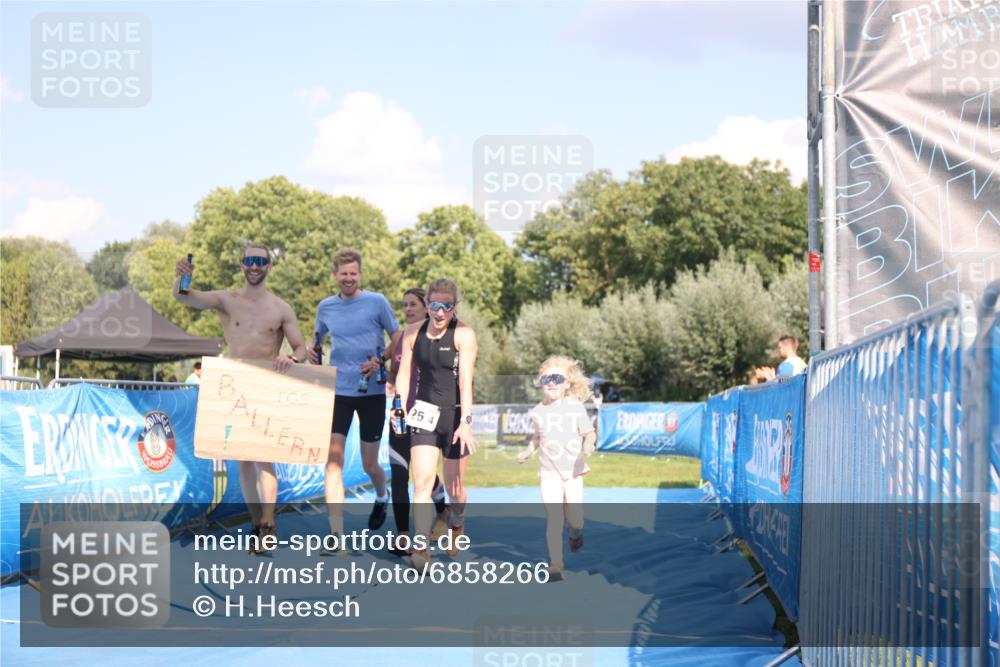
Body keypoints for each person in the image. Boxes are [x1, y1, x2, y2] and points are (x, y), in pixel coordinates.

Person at [174, 244, 308, 551]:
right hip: (234, 385)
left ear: (269, 267)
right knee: (244, 463)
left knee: (264, 459)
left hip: (266, 384)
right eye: (250, 260)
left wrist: (294, 359)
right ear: (242, 264)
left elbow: (300, 347)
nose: (255, 265)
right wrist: (181, 278)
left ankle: (269, 523)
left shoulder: (280, 308)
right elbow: (184, 296)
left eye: (261, 261)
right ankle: (256, 521)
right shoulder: (227, 299)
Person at [309, 248, 401, 551]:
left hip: (372, 391)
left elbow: (398, 338)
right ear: (335, 276)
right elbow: (317, 341)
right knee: (332, 462)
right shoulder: (326, 307)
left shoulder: (377, 302)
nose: (348, 278)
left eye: (353, 273)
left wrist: (381, 359)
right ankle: (336, 536)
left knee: (369, 463)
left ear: (360, 275)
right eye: (343, 274)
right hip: (339, 391)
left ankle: (381, 495)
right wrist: (313, 354)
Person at [396, 278, 478, 569]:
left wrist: (466, 422)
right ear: (427, 305)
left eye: (447, 306)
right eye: (435, 305)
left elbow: (465, 381)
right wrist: (398, 407)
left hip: (455, 417)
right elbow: (404, 375)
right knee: (421, 484)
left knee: (455, 491)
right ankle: (421, 548)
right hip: (424, 415)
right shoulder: (410, 333)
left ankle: (457, 520)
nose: (441, 312)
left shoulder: (463, 334)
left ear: (455, 307)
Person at [517, 356, 596, 582]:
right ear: (540, 381)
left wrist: (589, 444)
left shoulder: (575, 407)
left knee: (575, 520)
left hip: (573, 472)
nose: (551, 383)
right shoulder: (538, 411)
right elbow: (536, 438)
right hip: (549, 472)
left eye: (557, 378)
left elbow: (589, 433)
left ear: (567, 383)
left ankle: (576, 533)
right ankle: (556, 564)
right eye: (546, 378)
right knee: (553, 518)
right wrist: (527, 452)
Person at [386, 287, 448, 556]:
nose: (408, 309)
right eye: (405, 305)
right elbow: (393, 371)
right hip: (400, 413)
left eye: (414, 304)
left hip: (427, 415)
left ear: (427, 308)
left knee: (424, 477)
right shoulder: (400, 336)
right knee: (399, 474)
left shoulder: (436, 336)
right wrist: (391, 390)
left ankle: (443, 511)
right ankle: (402, 536)